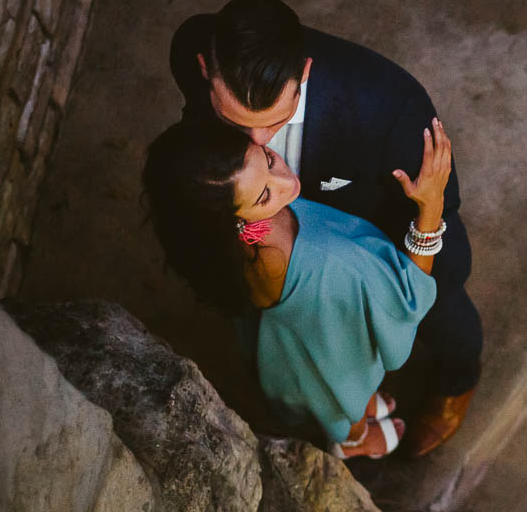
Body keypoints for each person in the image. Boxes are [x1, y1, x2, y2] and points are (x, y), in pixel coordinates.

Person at [168, 0, 481, 456]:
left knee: (444, 307)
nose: (256, 144)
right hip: (283, 263)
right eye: (233, 121)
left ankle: (457, 380)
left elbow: (440, 202)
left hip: (363, 243)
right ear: (204, 70)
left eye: (274, 123)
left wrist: (414, 262)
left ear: (305, 75)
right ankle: (352, 409)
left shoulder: (389, 106)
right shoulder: (190, 47)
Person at [142, 115, 453, 458]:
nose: (287, 183)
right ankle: (353, 441)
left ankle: (359, 408)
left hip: (291, 348)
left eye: (270, 160)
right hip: (332, 352)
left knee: (337, 393)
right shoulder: (322, 262)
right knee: (341, 399)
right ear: (233, 220)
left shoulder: (234, 241)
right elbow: (406, 300)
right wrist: (432, 205)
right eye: (264, 196)